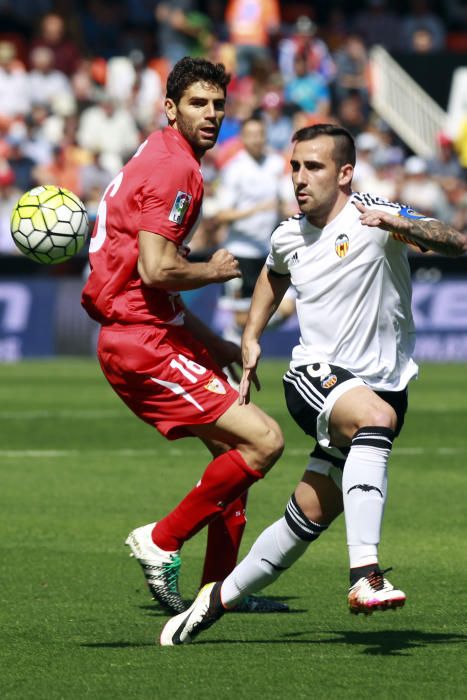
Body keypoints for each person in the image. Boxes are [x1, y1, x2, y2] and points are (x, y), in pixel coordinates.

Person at [159, 122, 467, 645]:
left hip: (382, 384)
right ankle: (364, 575)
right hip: (315, 378)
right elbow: (273, 274)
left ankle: (216, 598)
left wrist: (403, 224)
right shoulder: (288, 233)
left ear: (345, 173)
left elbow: (455, 241)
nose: (300, 179)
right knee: (376, 420)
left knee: (305, 519)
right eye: (295, 167)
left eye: (314, 167)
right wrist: (252, 335)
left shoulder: (375, 213)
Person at [81, 56, 285, 617]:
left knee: (232, 456)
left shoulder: (159, 153)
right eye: (198, 103)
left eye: (219, 104)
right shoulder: (178, 170)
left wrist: (217, 345)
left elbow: (154, 282)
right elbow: (156, 270)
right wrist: (216, 271)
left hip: (152, 328)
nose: (212, 114)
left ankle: (217, 593)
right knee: (264, 442)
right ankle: (163, 539)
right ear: (170, 108)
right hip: (140, 341)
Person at [214, 116, 290, 343]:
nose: (257, 139)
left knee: (286, 308)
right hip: (240, 252)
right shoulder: (235, 169)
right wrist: (256, 210)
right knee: (240, 317)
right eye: (251, 135)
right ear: (243, 138)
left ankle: (243, 335)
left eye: (260, 134)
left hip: (268, 251)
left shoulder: (276, 164)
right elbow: (222, 214)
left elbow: (285, 201)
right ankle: (235, 346)